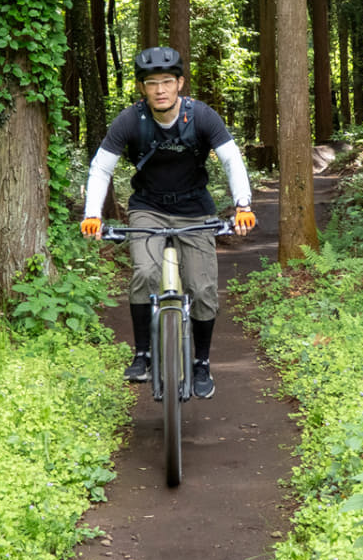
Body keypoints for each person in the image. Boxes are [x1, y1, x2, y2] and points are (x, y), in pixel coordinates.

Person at [80, 46, 256, 399]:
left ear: (179, 84)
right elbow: (102, 167)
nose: (159, 89)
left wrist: (242, 205)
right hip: (148, 208)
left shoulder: (202, 117)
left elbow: (232, 160)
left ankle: (201, 363)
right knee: (145, 273)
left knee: (203, 288)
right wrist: (92, 214)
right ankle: (143, 354)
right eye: (151, 83)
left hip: (196, 210)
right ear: (143, 88)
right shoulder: (131, 121)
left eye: (166, 82)